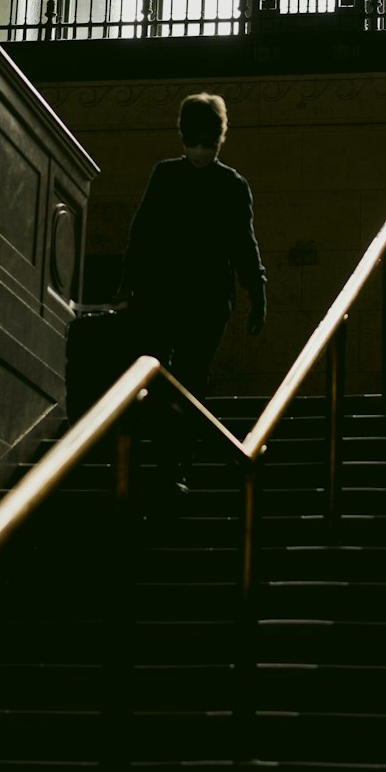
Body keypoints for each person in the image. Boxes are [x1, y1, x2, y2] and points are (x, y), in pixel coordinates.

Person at [117, 92, 266, 483]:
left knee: (173, 375)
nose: (199, 149)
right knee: (190, 377)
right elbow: (242, 245)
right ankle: (177, 459)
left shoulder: (168, 176)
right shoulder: (230, 184)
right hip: (205, 297)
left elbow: (142, 235)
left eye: (203, 141)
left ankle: (168, 458)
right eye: (195, 141)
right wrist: (256, 292)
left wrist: (128, 285)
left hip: (169, 294)